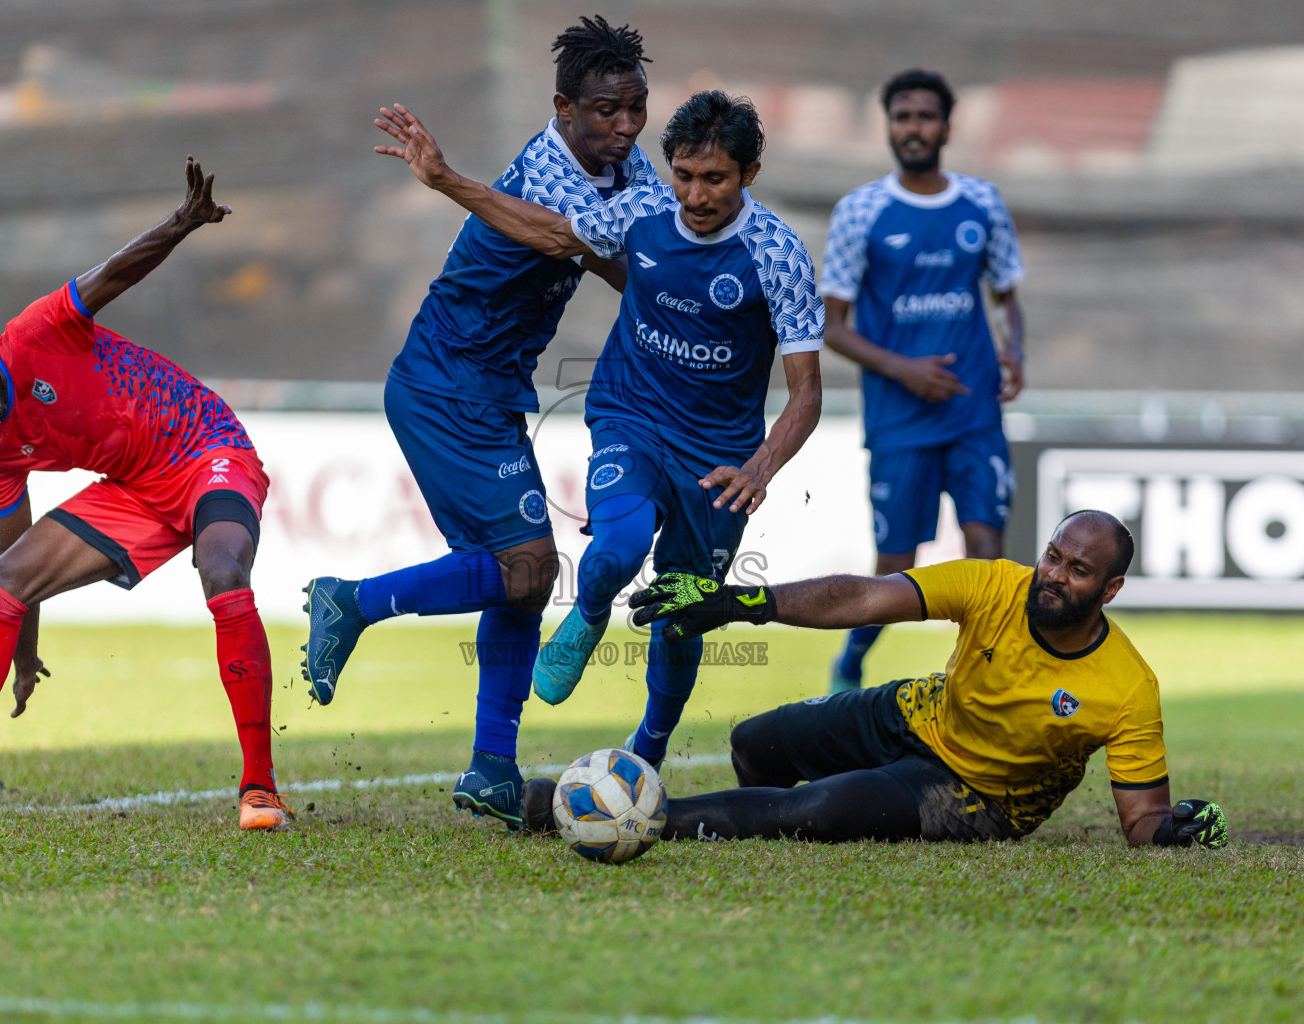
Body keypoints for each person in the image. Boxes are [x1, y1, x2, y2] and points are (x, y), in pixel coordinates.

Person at [372, 89, 823, 772]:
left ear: (749, 175)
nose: (695, 196)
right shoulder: (641, 211)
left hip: (720, 456)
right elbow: (549, 232)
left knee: (681, 612)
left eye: (715, 179)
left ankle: (648, 749)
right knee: (618, 545)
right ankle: (586, 615)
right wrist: (447, 181)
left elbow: (806, 393)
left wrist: (759, 468)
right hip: (630, 417)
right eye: (684, 175)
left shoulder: (776, 255)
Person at [0, 159, 291, 830]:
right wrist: (23, 654)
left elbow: (113, 272)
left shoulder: (34, 335)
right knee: (0, 580)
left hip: (206, 448)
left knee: (222, 566)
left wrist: (183, 222)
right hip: (136, 491)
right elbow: (17, 560)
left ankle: (259, 789)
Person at [301, 17, 658, 829]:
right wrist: (447, 179)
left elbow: (623, 258)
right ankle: (351, 601)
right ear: (563, 106)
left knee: (519, 574)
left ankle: (492, 768)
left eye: (636, 108)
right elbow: (561, 236)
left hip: (487, 391)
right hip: (445, 386)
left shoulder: (623, 162)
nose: (627, 126)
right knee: (528, 566)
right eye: (607, 111)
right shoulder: (549, 174)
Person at [569, 511, 1227, 849]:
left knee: (822, 808)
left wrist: (1177, 832)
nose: (1054, 574)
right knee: (754, 742)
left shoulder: (1128, 688)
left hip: (978, 796)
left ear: (1110, 589)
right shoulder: (994, 583)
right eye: (1052, 556)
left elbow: (1144, 821)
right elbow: (861, 597)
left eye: (1078, 570)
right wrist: (742, 602)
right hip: (917, 714)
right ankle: (760, 821)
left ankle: (637, 817)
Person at [818, 69, 1026, 694]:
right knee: (896, 564)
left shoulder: (983, 203)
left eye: (925, 117)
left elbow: (1006, 291)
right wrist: (904, 369)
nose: (914, 128)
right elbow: (831, 325)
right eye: (902, 117)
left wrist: (1014, 349)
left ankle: (981, 682)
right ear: (888, 127)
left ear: (946, 127)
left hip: (973, 409)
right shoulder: (862, 212)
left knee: (987, 550)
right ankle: (852, 660)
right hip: (899, 418)